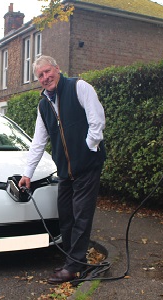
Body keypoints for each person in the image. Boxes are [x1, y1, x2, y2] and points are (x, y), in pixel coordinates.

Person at [19, 55, 106, 284]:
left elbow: (97, 119)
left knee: (81, 216)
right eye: (40, 75)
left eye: (48, 71)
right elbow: (38, 141)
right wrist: (27, 173)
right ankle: (71, 261)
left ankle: (74, 267)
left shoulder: (79, 87)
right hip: (66, 172)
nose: (46, 77)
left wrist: (89, 147)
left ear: (57, 69)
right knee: (66, 216)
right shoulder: (43, 105)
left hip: (87, 166)